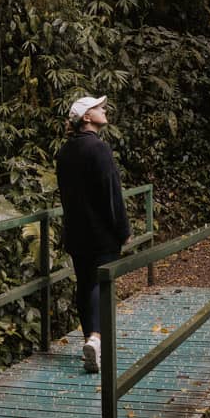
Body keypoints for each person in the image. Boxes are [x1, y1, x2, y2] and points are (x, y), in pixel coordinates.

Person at [55, 95, 131, 373]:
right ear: (87, 117)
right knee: (101, 285)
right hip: (101, 234)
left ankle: (90, 340)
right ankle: (97, 340)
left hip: (76, 233)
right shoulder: (98, 149)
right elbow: (111, 195)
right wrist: (123, 230)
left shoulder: (64, 152)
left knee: (85, 285)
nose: (104, 110)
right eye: (99, 108)